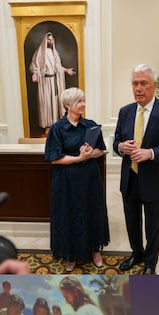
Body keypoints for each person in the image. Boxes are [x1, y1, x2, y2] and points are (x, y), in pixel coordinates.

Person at [113, 64, 159, 274]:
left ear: (155, 85)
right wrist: (120, 147)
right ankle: (137, 253)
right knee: (132, 223)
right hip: (130, 179)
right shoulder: (125, 112)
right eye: (135, 84)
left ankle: (151, 262)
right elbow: (117, 140)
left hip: (155, 180)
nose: (138, 88)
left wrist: (150, 153)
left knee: (154, 226)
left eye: (143, 83)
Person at [45, 87, 109, 272]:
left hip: (89, 178)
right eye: (79, 101)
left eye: (83, 100)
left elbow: (101, 149)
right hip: (66, 180)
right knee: (68, 215)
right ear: (67, 105)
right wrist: (78, 158)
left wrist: (89, 154)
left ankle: (95, 250)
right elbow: (54, 157)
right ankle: (70, 254)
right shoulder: (57, 128)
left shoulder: (91, 125)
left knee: (92, 212)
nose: (83, 104)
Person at [29, 32, 76, 134]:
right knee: (47, 104)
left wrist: (67, 70)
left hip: (55, 82)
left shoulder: (54, 52)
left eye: (51, 39)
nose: (50, 41)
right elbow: (34, 65)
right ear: (45, 41)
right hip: (45, 83)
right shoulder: (40, 52)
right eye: (48, 40)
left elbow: (58, 66)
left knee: (55, 103)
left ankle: (56, 124)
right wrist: (35, 74)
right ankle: (48, 125)